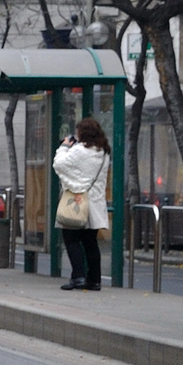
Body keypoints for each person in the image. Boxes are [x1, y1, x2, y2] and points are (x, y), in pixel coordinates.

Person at [53, 117, 111, 291]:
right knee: (90, 242)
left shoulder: (79, 151)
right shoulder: (104, 152)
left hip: (77, 201)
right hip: (94, 202)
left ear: (83, 133)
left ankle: (78, 276)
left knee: (70, 238)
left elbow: (60, 164)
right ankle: (94, 280)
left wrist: (64, 146)